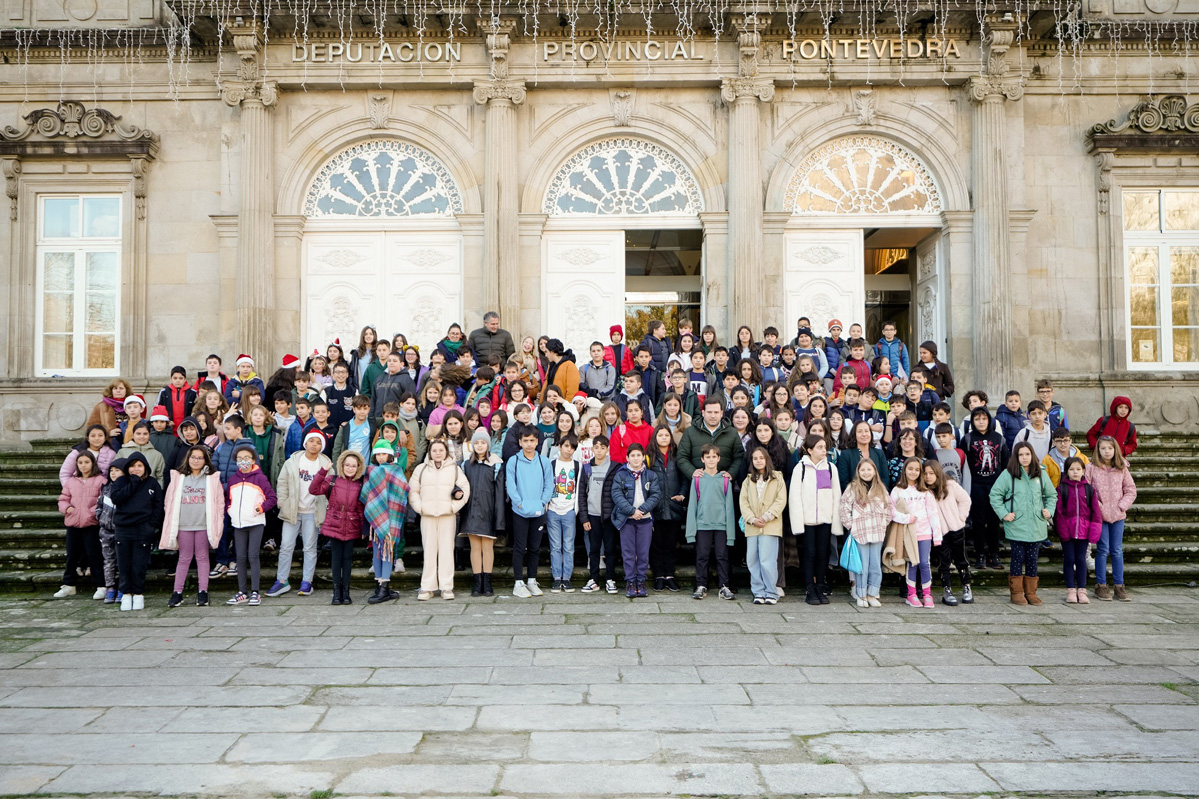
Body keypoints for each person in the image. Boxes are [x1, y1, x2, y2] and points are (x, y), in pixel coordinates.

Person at [266, 430, 332, 599]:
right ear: (306, 443)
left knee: (309, 548)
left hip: (313, 511)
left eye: (318, 442)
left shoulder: (326, 464)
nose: (314, 444)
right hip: (293, 510)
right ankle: (282, 581)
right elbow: (282, 483)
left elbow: (330, 488)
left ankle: (306, 582)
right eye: (312, 441)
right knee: (286, 546)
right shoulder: (293, 461)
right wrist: (283, 502)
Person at [989, 442, 1057, 606]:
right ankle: (1017, 592)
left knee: (1033, 559)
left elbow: (1051, 495)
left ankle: (1031, 592)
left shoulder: (1041, 473)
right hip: (1017, 525)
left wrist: (1049, 510)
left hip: (1036, 525)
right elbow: (995, 495)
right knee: (1017, 559)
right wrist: (1004, 513)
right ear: (1016, 457)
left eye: (1027, 454)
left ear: (1032, 455)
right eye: (1021, 455)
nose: (1024, 458)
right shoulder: (1008, 474)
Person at [160, 445, 223, 608]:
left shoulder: (211, 478)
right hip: (183, 525)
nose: (196, 460)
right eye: (193, 457)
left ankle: (203, 592)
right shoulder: (179, 477)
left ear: (205, 460)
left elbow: (219, 503)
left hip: (203, 524)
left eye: (200, 458)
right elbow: (169, 501)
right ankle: (177, 592)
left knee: (202, 557)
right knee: (184, 558)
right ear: (188, 459)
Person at [409, 439, 471, 601]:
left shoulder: (455, 469)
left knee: (446, 551)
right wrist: (420, 507)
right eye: (434, 450)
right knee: (429, 551)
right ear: (430, 452)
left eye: (440, 450)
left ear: (446, 452)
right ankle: (427, 587)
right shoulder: (421, 469)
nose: (437, 453)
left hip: (447, 516)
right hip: (427, 516)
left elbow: (465, 488)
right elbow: (413, 490)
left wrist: (453, 507)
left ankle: (446, 586)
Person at [789, 435, 844, 605]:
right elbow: (795, 496)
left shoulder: (830, 468)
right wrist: (798, 521)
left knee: (823, 553)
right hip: (807, 520)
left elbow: (836, 494)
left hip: (825, 519)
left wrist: (836, 520)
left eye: (824, 447)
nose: (823, 450)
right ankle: (809, 588)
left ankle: (820, 586)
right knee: (809, 553)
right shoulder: (801, 468)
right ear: (810, 450)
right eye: (819, 447)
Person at [1086, 435, 1138, 601]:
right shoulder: (1091, 467)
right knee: (1102, 549)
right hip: (1099, 516)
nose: (1106, 451)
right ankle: (1101, 586)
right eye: (1103, 448)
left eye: (1110, 448)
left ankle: (1119, 586)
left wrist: (1121, 506)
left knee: (1117, 550)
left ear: (1115, 449)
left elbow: (1130, 490)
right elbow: (1086, 490)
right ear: (1098, 450)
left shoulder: (1122, 468)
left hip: (1118, 515)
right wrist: (1098, 507)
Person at [109, 452, 163, 611]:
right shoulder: (121, 482)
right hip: (123, 528)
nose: (136, 469)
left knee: (139, 564)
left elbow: (158, 506)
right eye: (132, 466)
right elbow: (116, 498)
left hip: (143, 528)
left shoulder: (152, 483)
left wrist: (151, 524)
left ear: (145, 467)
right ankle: (126, 594)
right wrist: (133, 482)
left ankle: (138, 594)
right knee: (124, 563)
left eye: (139, 466)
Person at [224, 445, 277, 606]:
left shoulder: (260, 478)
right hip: (238, 524)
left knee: (253, 556)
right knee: (240, 557)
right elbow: (229, 499)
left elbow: (272, 498)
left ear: (253, 460)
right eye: (240, 459)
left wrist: (260, 509)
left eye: (246, 458)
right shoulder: (233, 480)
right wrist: (230, 510)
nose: (243, 461)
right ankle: (242, 592)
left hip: (255, 522)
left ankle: (255, 592)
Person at [361, 440, 410, 604]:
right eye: (378, 454)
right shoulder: (371, 471)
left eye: (384, 453)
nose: (381, 457)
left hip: (392, 516)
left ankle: (384, 587)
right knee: (377, 551)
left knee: (388, 551)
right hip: (376, 516)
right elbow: (365, 494)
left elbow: (402, 490)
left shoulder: (396, 471)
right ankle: (380, 585)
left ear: (389, 455)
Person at [685, 443, 737, 600]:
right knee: (702, 555)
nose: (711, 459)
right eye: (708, 457)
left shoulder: (725, 480)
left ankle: (724, 586)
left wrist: (731, 534)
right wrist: (691, 532)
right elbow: (693, 505)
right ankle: (701, 585)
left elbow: (729, 508)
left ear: (719, 458)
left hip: (721, 525)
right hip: (703, 524)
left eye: (714, 456)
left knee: (722, 556)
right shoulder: (697, 480)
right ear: (702, 459)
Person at [839, 457, 892, 608]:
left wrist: (883, 523)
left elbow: (889, 508)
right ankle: (861, 594)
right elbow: (844, 509)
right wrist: (851, 526)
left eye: (869, 469)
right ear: (858, 472)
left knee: (875, 564)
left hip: (877, 532)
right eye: (863, 470)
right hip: (860, 532)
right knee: (862, 565)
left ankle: (873, 593)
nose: (866, 472)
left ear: (875, 471)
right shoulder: (852, 488)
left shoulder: (880, 489)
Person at [610, 443, 661, 598]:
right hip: (627, 520)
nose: (636, 458)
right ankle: (631, 581)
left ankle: (641, 581)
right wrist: (632, 511)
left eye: (639, 455)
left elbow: (655, 495)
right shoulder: (621, 474)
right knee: (628, 553)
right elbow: (616, 495)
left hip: (645, 520)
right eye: (633, 455)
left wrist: (642, 510)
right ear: (627, 458)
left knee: (643, 552)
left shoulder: (651, 475)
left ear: (643, 457)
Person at [53, 450, 106, 601]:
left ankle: (101, 586)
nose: (83, 466)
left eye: (87, 462)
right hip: (73, 523)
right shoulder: (71, 481)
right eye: (80, 462)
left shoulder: (100, 480)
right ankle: (69, 585)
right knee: (72, 555)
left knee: (94, 555)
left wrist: (91, 512)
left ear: (92, 463)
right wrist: (67, 508)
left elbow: (102, 500)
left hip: (91, 523)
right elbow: (63, 498)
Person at [507, 429, 554, 598]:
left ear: (537, 442)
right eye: (525, 440)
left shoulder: (544, 461)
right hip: (520, 511)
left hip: (538, 510)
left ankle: (532, 581)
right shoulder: (514, 461)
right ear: (520, 442)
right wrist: (519, 502)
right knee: (520, 548)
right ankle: (518, 583)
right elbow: (510, 484)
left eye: (532, 440)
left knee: (534, 548)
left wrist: (542, 502)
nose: (528, 444)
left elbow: (549, 483)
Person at [460, 428, 506, 597]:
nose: (480, 446)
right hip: (471, 511)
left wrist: (499, 518)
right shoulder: (466, 465)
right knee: (474, 547)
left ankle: (487, 581)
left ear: (488, 445)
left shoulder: (496, 464)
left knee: (487, 548)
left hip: (488, 511)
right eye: (477, 443)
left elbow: (500, 493)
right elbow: (460, 486)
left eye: (483, 443)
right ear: (472, 445)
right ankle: (477, 581)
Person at [961, 406, 1009, 571]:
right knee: (979, 522)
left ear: (989, 420)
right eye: (977, 419)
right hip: (976, 485)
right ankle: (980, 554)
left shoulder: (998, 438)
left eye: (984, 418)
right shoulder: (967, 438)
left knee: (994, 521)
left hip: (995, 486)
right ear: (973, 421)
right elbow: (963, 462)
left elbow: (1005, 464)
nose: (981, 422)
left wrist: (1004, 488)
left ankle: (993, 555)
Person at [740, 445, 787, 605]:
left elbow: (780, 500)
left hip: (770, 525)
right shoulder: (748, 480)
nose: (758, 461)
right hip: (752, 526)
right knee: (753, 560)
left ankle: (771, 592)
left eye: (761, 458)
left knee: (767, 560)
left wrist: (767, 516)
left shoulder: (777, 477)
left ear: (767, 459)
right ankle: (758, 592)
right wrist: (752, 518)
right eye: (755, 458)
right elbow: (743, 502)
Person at [923, 459, 973, 606]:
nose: (928, 477)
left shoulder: (950, 485)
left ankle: (966, 587)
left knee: (961, 559)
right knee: (944, 561)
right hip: (938, 532)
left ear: (938, 473)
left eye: (931, 473)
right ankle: (947, 590)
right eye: (925, 473)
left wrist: (961, 518)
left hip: (956, 528)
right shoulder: (924, 491)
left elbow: (965, 500)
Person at [1055, 456, 1104, 605]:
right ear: (1066, 471)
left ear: (1083, 470)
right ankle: (1070, 589)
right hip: (1068, 532)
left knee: (1081, 560)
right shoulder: (1061, 488)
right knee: (1069, 559)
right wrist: (1062, 531)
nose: (1075, 472)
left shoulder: (1089, 489)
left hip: (1084, 531)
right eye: (1071, 469)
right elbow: (1059, 512)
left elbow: (1096, 512)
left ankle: (1081, 589)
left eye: (1078, 469)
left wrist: (1094, 532)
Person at [647, 425, 685, 591]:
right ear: (655, 437)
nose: (663, 438)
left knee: (671, 543)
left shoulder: (677, 456)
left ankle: (669, 575)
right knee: (656, 544)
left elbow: (684, 478)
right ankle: (658, 576)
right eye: (660, 435)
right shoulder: (649, 457)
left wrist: (682, 494)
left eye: (666, 435)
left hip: (673, 504)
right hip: (655, 506)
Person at [677, 397, 744, 482]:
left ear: (721, 413)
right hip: (697, 484)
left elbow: (739, 457)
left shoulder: (732, 432)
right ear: (703, 413)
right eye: (709, 412)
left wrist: (731, 473)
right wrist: (692, 472)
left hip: (724, 484)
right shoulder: (690, 432)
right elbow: (681, 457)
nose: (712, 416)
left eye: (716, 412)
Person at [94, 460, 123, 604]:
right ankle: (110, 587)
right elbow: (99, 505)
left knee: (122, 561)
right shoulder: (106, 489)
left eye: (117, 470)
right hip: (105, 531)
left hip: (121, 530)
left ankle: (122, 587)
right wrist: (100, 517)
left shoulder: (125, 488)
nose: (113, 473)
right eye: (111, 471)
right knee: (109, 560)